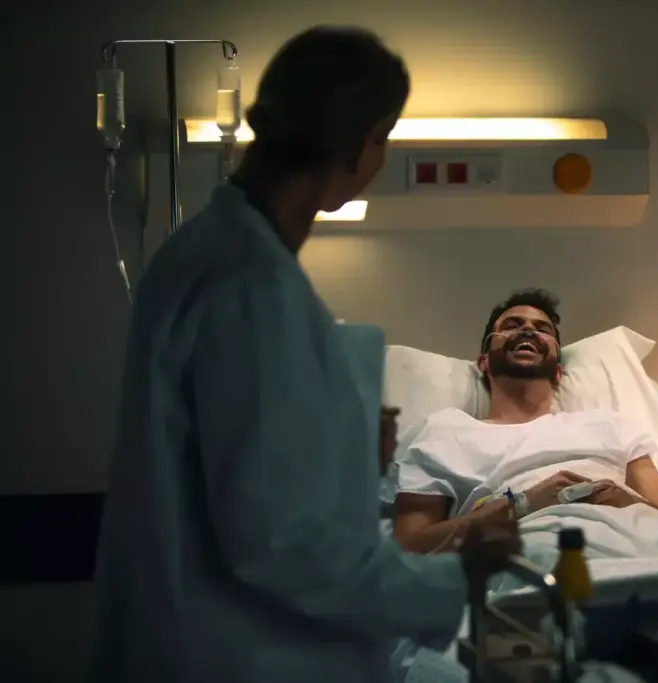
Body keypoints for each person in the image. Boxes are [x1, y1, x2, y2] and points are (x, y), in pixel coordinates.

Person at [91, 27, 519, 683]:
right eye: (385, 140)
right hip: (240, 653)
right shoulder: (251, 287)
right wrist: (455, 576)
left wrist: (346, 446)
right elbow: (281, 544)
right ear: (364, 140)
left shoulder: (206, 255)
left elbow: (237, 461)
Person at [392, 289, 658, 562]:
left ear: (559, 371)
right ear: (483, 362)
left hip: (641, 541)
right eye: (511, 325)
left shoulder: (610, 424)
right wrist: (524, 504)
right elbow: (410, 545)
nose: (529, 329)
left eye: (542, 328)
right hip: (535, 542)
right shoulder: (445, 432)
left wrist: (627, 500)